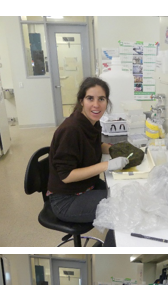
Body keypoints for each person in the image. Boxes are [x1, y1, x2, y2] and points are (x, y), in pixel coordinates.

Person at [47, 77, 128, 246]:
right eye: (90, 98)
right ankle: (108, 251)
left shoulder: (91, 122)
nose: (96, 105)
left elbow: (93, 144)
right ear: (81, 101)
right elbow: (66, 176)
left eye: (101, 99)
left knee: (125, 193)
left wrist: (114, 149)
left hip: (86, 186)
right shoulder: (71, 130)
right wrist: (107, 165)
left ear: (107, 102)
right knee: (123, 208)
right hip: (66, 200)